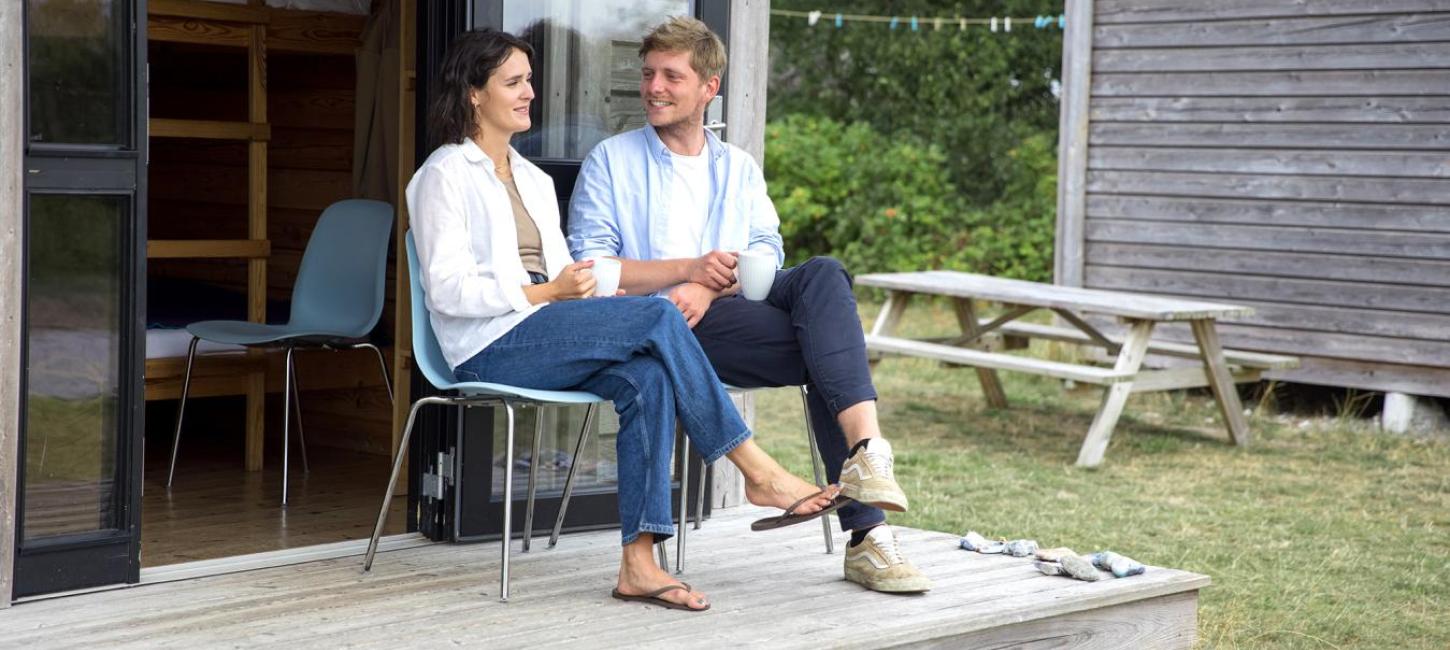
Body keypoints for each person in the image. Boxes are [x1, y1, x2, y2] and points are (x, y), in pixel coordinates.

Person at [408, 28, 844, 611]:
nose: (530, 93)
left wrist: (586, 290)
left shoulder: (533, 179)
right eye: (513, 83)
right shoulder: (443, 175)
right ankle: (756, 469)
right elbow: (448, 290)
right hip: (488, 342)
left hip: (549, 328)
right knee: (658, 322)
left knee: (648, 375)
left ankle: (639, 562)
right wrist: (546, 295)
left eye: (530, 80)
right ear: (474, 95)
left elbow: (580, 275)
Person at [568, 17, 931, 593]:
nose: (654, 87)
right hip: (663, 327)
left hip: (731, 307)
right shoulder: (612, 162)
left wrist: (711, 283)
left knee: (824, 276)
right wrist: (684, 274)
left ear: (708, 87)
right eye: (648, 75)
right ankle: (869, 537)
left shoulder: (736, 166)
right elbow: (591, 272)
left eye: (671, 76)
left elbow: (766, 250)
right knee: (828, 353)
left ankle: (867, 451)